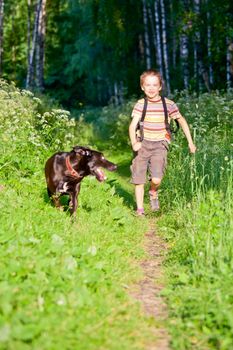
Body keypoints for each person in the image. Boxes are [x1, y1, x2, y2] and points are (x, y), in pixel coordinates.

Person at [129, 69, 196, 216]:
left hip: (160, 144)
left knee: (157, 179)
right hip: (143, 143)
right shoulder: (140, 104)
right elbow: (132, 125)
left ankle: (153, 191)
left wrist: (190, 142)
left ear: (160, 87)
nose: (151, 88)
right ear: (142, 87)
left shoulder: (168, 104)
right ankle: (140, 210)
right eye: (148, 85)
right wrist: (134, 142)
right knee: (139, 179)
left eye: (154, 85)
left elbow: (182, 121)